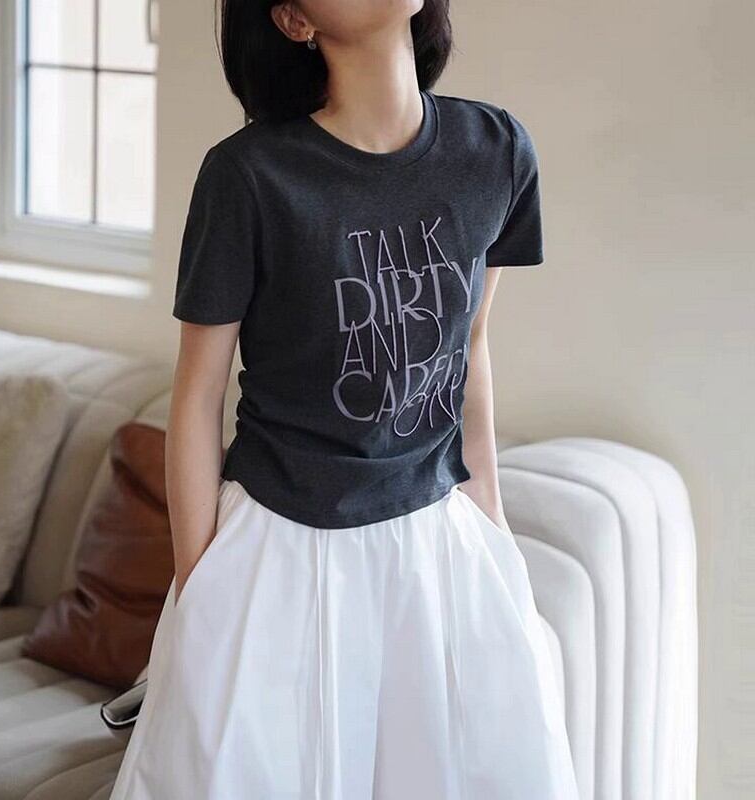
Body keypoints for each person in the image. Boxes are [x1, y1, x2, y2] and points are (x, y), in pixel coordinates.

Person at [109, 1, 580, 797]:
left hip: (436, 543)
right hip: (278, 550)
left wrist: (492, 526)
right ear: (295, 20)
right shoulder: (248, 176)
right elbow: (197, 396)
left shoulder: (495, 151)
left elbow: (469, 349)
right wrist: (200, 592)